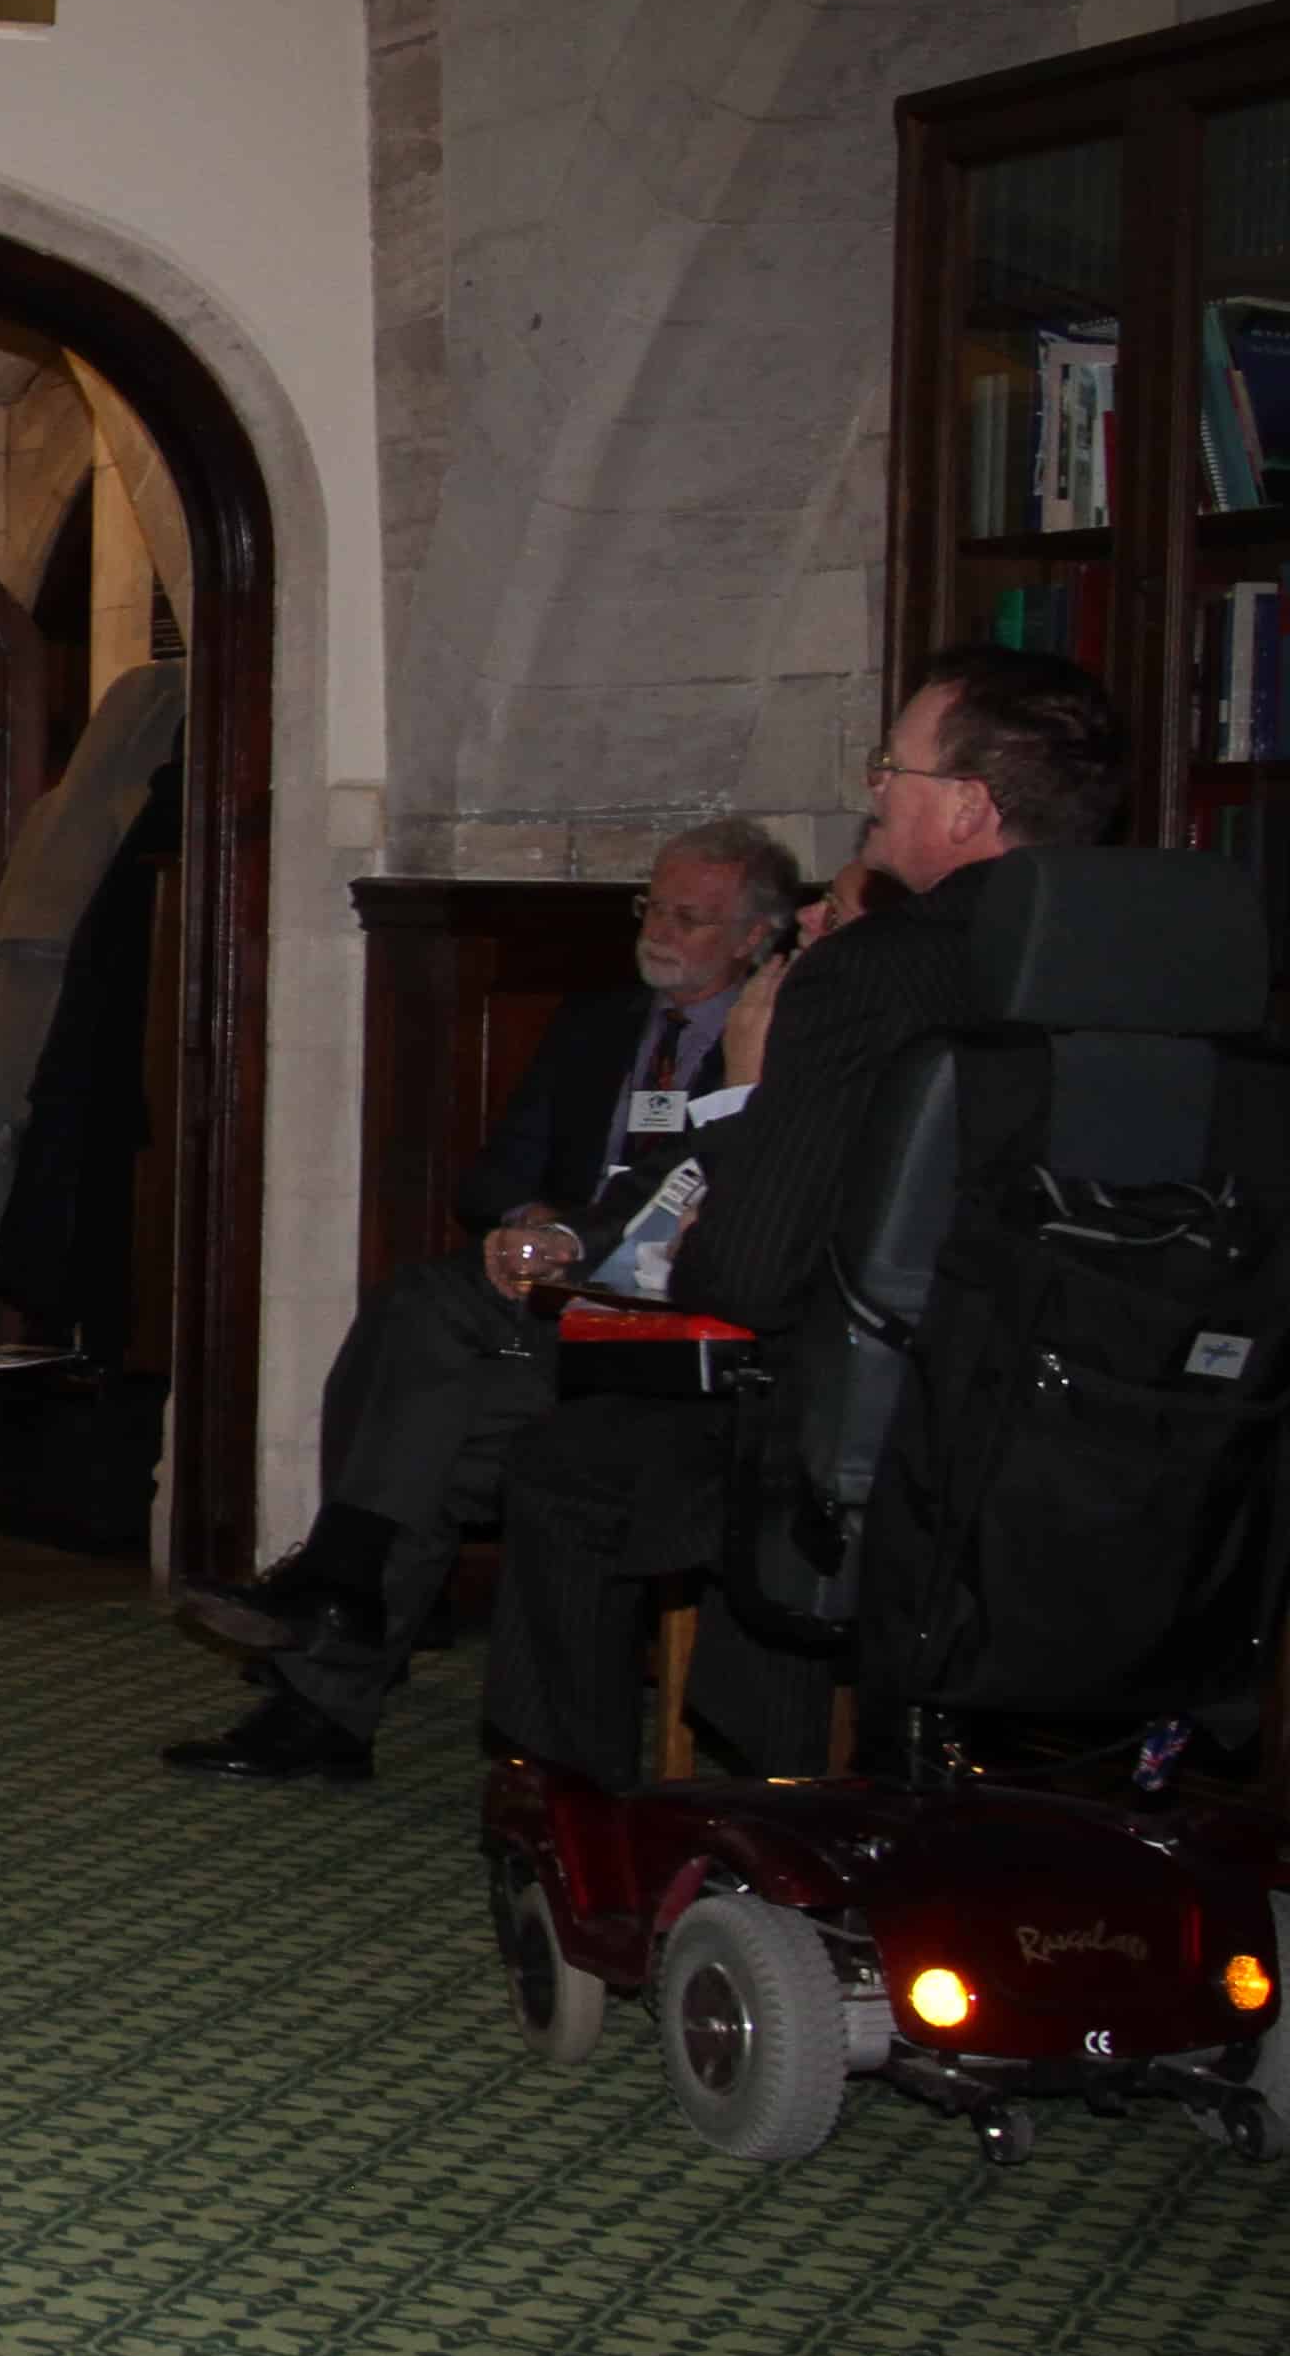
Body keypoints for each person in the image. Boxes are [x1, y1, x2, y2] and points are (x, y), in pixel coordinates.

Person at [482, 646, 1128, 1788]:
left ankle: (589, 1819)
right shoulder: (1153, 965)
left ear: (971, 807)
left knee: (569, 1463)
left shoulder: (875, 972)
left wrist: (740, 1088)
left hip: (887, 1456)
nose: (874, 788)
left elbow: (749, 1273)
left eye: (895, 767)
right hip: (1112, 1444)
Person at [158, 819, 807, 1784]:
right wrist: (529, 1218)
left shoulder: (781, 1056)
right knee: (424, 1369)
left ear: (760, 939)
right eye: (651, 906)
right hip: (541, 1308)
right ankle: (331, 1665)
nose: (659, 931)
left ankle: (332, 1639)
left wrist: (575, 1234)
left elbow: (732, 1208)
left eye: (691, 917)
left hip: (674, 1337)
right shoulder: (598, 1023)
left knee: (422, 1347)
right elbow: (492, 1175)